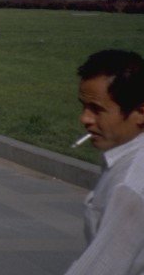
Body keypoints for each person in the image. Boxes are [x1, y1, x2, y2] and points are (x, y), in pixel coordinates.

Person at [64, 50, 144, 275]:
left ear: (140, 112)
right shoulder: (125, 159)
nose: (85, 119)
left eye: (97, 110)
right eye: (83, 106)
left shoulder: (129, 186)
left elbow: (102, 267)